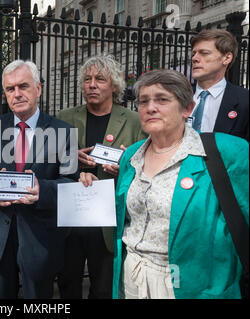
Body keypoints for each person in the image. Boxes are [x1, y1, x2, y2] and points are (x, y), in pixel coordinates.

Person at [80, 69, 248, 298]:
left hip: (194, 284)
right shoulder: (131, 156)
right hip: (132, 278)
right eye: (143, 101)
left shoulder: (227, 152)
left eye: (162, 100)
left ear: (187, 108)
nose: (150, 108)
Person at [0, 60, 79, 299]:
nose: (16, 94)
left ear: (38, 89)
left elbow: (71, 182)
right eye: (10, 89)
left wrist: (43, 190)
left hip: (41, 236)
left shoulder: (64, 131)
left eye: (23, 86)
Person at [56, 54, 147, 299]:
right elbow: (49, 162)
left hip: (108, 220)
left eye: (100, 79)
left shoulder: (134, 121)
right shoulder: (64, 118)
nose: (92, 85)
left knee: (104, 288)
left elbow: (145, 167)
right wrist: (70, 158)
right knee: (68, 284)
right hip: (71, 217)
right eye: (87, 79)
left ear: (115, 85)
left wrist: (124, 169)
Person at [190, 29, 249, 140]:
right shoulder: (176, 96)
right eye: (194, 54)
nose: (194, 58)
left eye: (204, 53)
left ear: (226, 58)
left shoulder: (245, 101)